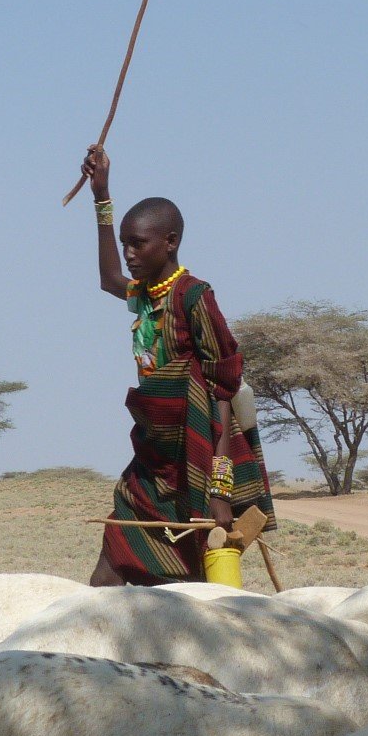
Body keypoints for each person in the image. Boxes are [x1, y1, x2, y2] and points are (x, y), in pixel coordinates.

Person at [80, 144, 275, 586]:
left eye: (138, 243)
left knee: (193, 578)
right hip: (154, 452)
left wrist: (218, 490)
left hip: (199, 453)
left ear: (170, 242)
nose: (129, 253)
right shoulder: (148, 294)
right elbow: (109, 279)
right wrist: (101, 197)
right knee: (114, 555)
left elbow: (222, 392)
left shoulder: (194, 295)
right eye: (125, 243)